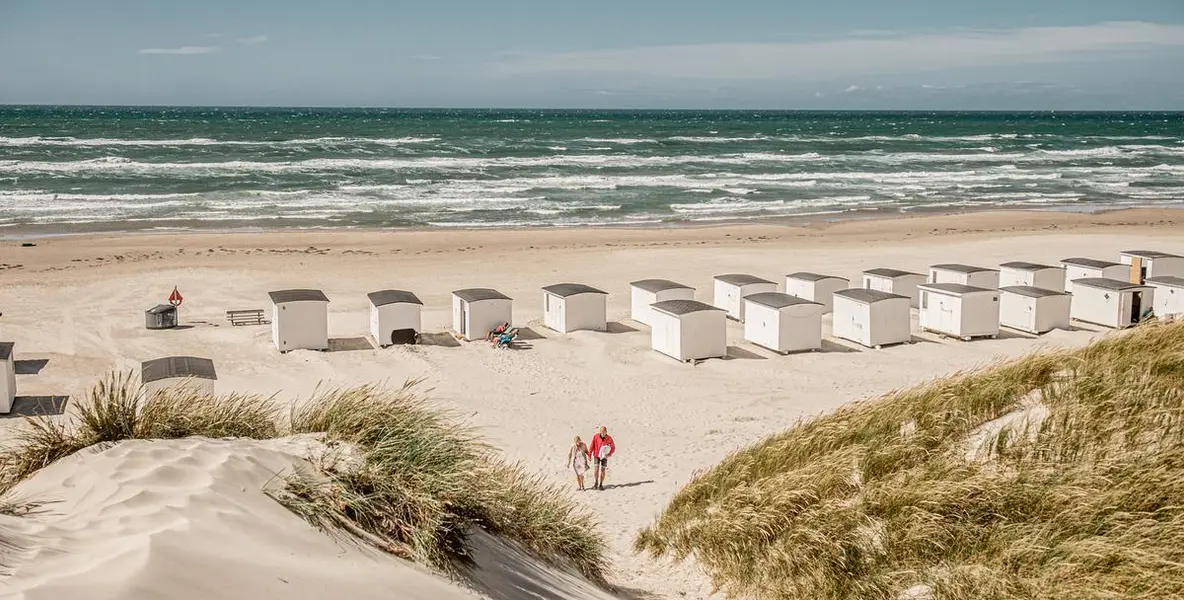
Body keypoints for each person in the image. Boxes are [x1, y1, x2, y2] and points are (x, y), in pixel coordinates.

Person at [587, 426, 615, 491]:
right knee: (596, 470)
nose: (603, 433)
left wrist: (609, 454)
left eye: (604, 431)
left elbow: (613, 447)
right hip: (596, 455)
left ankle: (601, 484)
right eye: (601, 431)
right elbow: (592, 445)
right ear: (600, 431)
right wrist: (589, 454)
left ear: (606, 432)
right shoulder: (596, 436)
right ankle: (596, 482)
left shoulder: (609, 438)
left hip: (604, 456)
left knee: (603, 470)